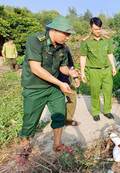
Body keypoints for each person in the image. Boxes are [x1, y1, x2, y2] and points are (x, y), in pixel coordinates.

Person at [18, 17, 80, 164]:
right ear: (54, 30)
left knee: (59, 115)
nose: (68, 37)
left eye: (69, 34)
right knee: (30, 120)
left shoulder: (62, 47)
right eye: (66, 33)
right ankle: (25, 147)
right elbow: (35, 68)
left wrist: (70, 72)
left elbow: (62, 67)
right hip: (35, 87)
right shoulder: (35, 40)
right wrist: (60, 83)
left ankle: (57, 145)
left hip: (52, 87)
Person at [80, 17, 117, 121]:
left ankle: (107, 111)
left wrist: (113, 67)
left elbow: (110, 53)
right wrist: (82, 72)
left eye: (100, 29)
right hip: (94, 70)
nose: (98, 31)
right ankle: (95, 112)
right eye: (96, 29)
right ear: (91, 28)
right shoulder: (86, 41)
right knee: (95, 91)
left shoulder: (106, 40)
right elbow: (83, 57)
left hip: (106, 69)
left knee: (108, 91)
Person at [46, 22, 81, 126]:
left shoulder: (65, 48)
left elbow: (70, 64)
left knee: (72, 98)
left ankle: (68, 120)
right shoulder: (44, 48)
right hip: (52, 81)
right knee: (57, 103)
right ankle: (58, 120)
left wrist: (75, 77)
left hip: (65, 79)